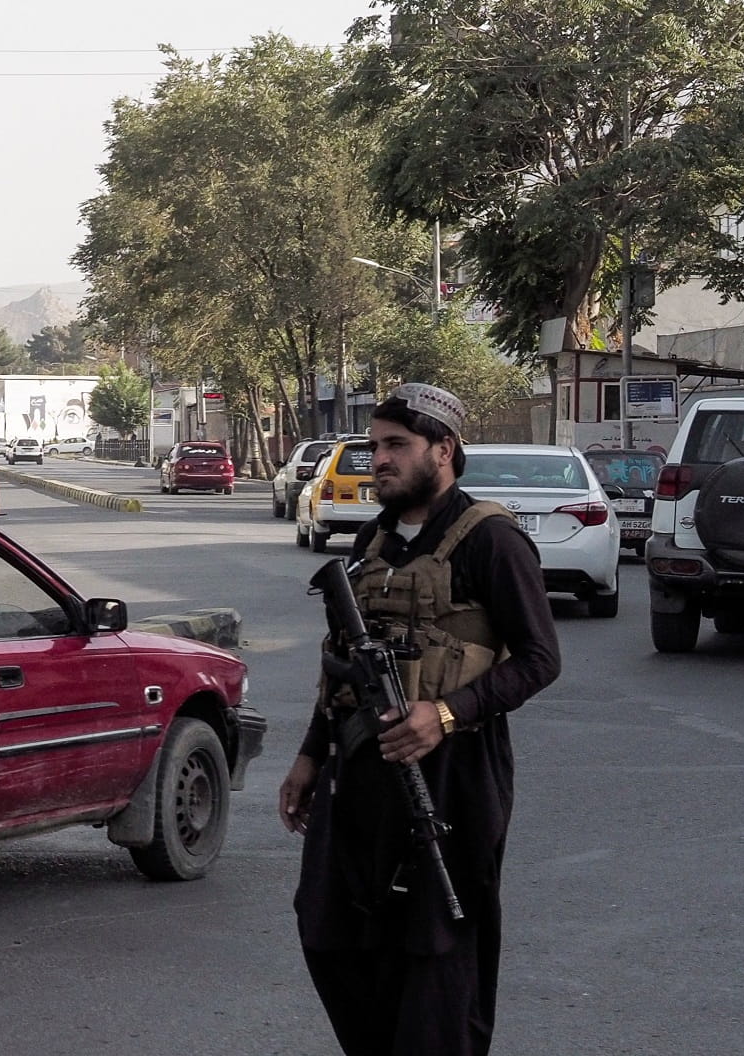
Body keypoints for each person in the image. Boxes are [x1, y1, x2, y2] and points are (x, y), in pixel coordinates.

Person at [278, 382, 562, 1056]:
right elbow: (342, 661)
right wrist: (311, 755)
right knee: (330, 932)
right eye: (374, 446)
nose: (379, 459)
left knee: (437, 951)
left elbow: (539, 659)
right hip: (359, 773)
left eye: (396, 446)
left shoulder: (489, 540)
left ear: (444, 449)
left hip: (454, 777)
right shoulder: (374, 540)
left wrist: (446, 712)